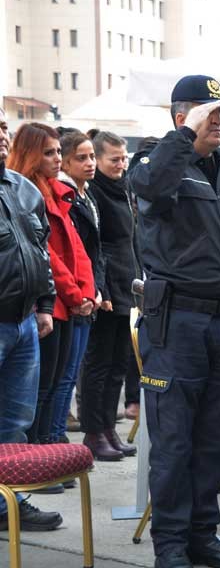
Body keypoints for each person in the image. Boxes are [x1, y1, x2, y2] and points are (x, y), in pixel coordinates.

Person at [128, 75, 220, 568]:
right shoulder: (154, 162)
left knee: (214, 439)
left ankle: (203, 533)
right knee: (175, 441)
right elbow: (149, 187)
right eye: (210, 113)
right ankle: (170, 543)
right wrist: (185, 136)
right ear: (181, 116)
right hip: (177, 323)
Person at [8, 123, 96, 446]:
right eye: (49, 152)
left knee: (59, 380)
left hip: (65, 302)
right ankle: (40, 449)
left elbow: (77, 249)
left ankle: (48, 445)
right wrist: (76, 294)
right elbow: (46, 254)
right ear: (30, 154)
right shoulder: (26, 194)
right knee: (41, 388)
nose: (57, 158)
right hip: (49, 302)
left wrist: (86, 291)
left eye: (59, 151)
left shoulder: (58, 194)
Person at [0, 107, 63, 530]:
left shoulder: (22, 189)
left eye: (2, 128)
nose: (2, 136)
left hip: (23, 322)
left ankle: (9, 503)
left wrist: (44, 305)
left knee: (15, 421)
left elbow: (39, 251)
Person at [79, 130, 140, 461]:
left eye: (123, 158)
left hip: (127, 281)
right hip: (106, 286)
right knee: (99, 363)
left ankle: (107, 428)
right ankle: (93, 431)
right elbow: (97, 247)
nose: (120, 164)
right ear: (99, 160)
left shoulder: (124, 187)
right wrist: (99, 287)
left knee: (120, 362)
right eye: (113, 159)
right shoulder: (95, 194)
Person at [53, 132, 104, 456]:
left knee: (69, 375)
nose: (89, 163)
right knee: (60, 380)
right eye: (81, 158)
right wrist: (79, 295)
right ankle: (54, 439)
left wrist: (96, 290)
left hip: (86, 295)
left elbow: (92, 253)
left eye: (91, 157)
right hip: (67, 300)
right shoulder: (64, 195)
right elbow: (60, 255)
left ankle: (57, 440)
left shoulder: (85, 195)